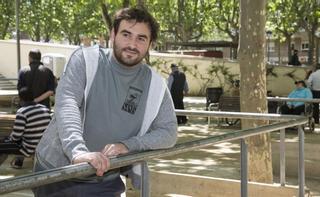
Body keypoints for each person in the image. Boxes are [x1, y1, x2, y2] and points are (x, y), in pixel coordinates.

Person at [33, 7, 177, 197]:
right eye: (126, 34)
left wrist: (129, 145)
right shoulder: (85, 59)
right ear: (113, 34)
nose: (132, 44)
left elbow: (169, 132)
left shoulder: (156, 85)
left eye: (141, 38)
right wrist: (77, 152)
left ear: (150, 44)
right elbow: (67, 103)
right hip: (57, 172)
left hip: (104, 178)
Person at [0, 87, 51, 168]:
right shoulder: (45, 108)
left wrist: (7, 139)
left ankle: (18, 161)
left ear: (21, 98)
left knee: (3, 144)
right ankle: (18, 162)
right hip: (42, 145)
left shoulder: (22, 112)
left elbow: (16, 137)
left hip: (28, 148)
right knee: (24, 137)